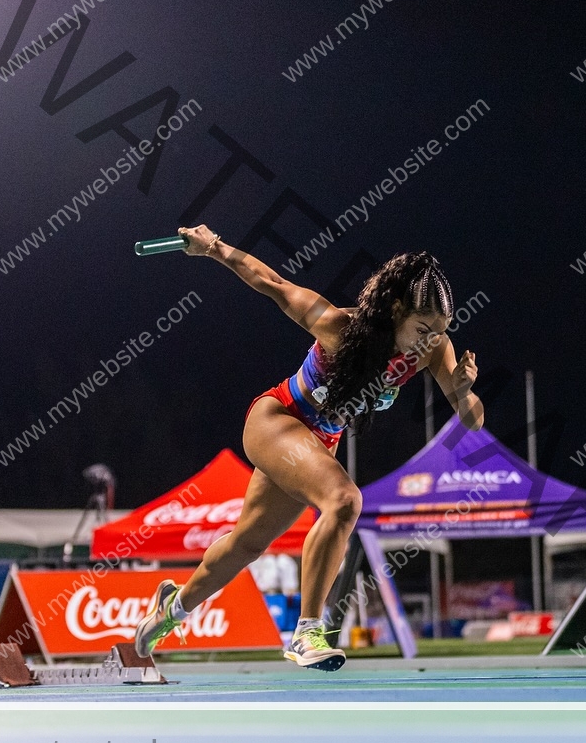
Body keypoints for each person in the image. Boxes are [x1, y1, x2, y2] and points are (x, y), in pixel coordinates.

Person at [133, 225, 483, 670]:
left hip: (317, 442)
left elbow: (472, 422)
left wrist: (465, 390)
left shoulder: (434, 351)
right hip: (277, 420)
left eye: (440, 331)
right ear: (396, 309)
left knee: (247, 544)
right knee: (343, 500)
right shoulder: (339, 325)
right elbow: (273, 283)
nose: (429, 340)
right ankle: (307, 632)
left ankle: (170, 609)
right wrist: (214, 248)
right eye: (422, 328)